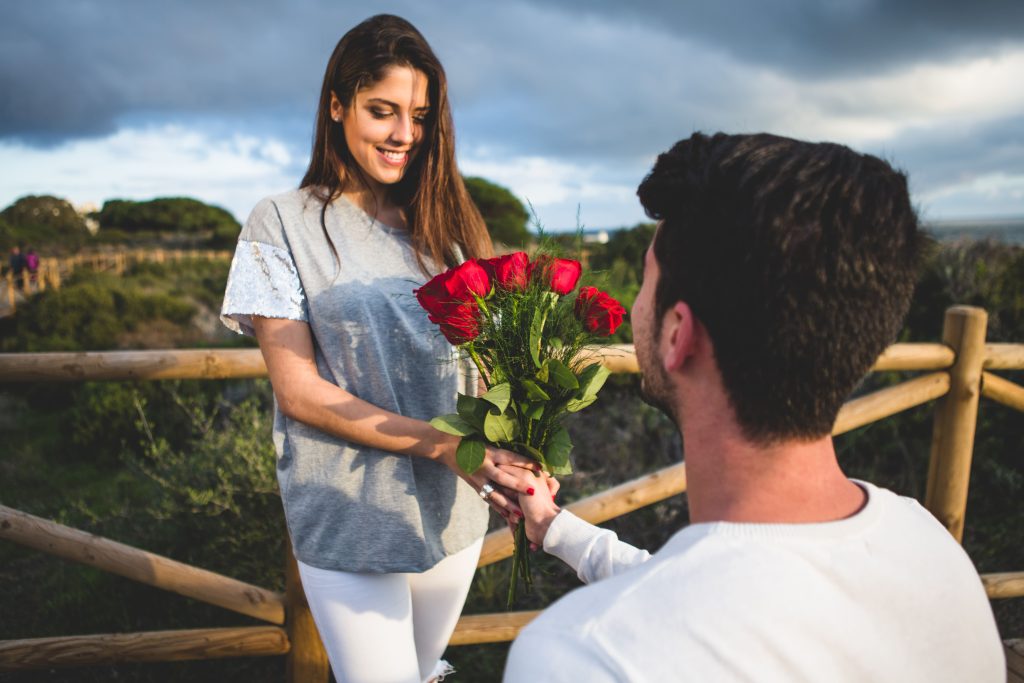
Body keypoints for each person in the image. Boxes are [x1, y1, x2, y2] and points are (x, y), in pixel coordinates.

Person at [502, 133, 1006, 681]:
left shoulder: (577, 655)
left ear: (677, 335)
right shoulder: (927, 542)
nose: (635, 305)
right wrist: (556, 528)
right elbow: (723, 600)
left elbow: (695, 611)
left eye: (646, 280)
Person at [220, 15, 538, 683]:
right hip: (348, 511)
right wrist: (444, 444)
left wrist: (525, 434)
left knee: (422, 671)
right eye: (382, 111)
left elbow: (485, 364)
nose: (404, 135)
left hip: (453, 507)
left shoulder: (447, 222)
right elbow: (297, 389)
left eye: (419, 115)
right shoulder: (280, 221)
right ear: (337, 106)